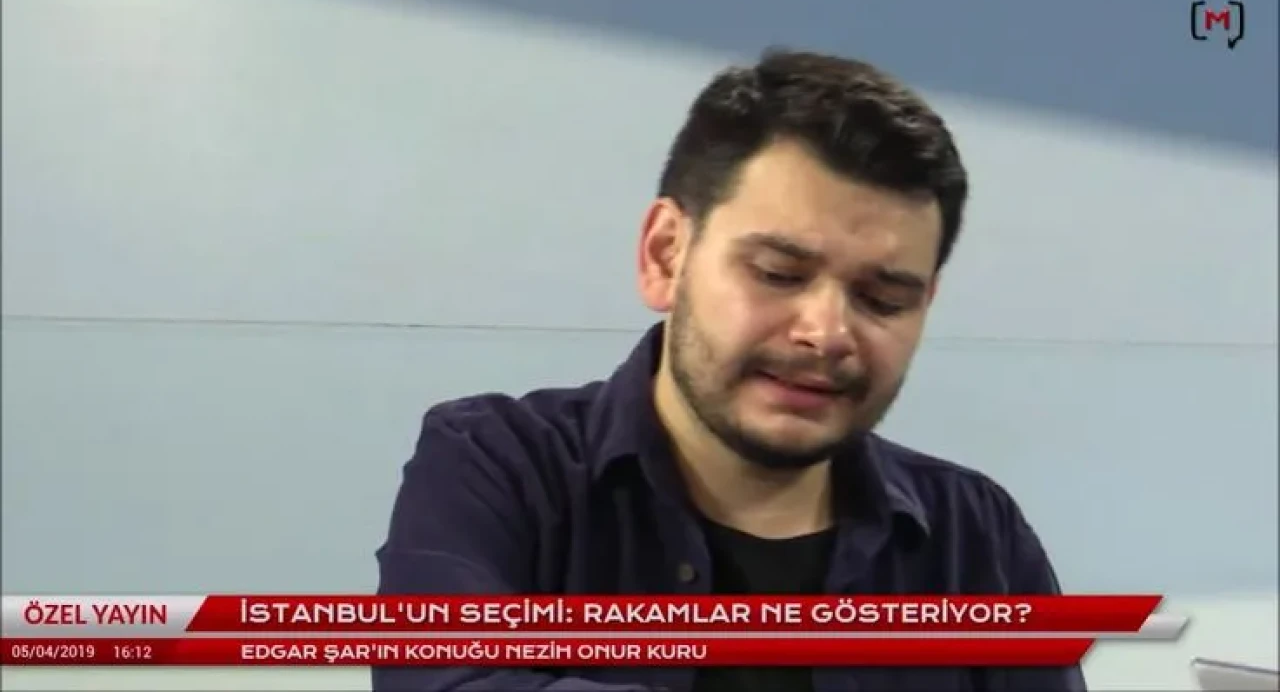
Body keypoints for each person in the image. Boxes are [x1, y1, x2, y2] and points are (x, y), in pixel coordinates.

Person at [374, 48, 1087, 692]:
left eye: (882, 299)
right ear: (665, 255)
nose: (826, 334)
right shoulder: (496, 467)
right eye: (778, 273)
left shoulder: (976, 539)